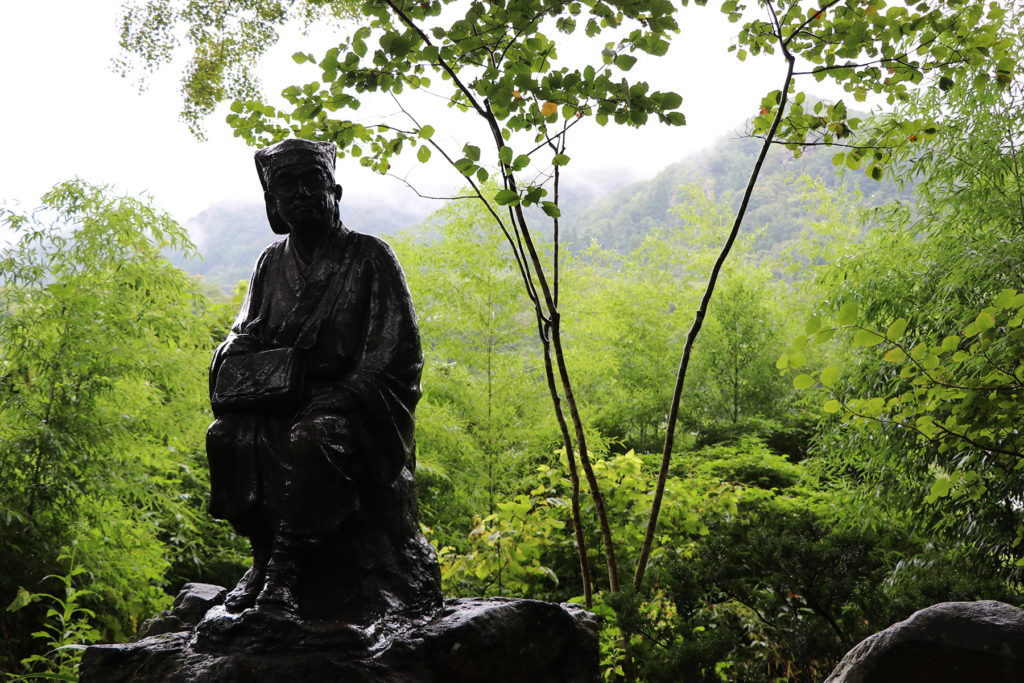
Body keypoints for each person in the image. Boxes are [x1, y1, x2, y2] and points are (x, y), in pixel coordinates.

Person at [206, 138, 440, 621]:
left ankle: (286, 571)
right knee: (225, 436)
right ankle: (262, 554)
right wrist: (233, 360)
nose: (300, 194)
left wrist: (348, 392)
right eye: (285, 185)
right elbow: (245, 331)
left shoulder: (370, 256)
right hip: (283, 399)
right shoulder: (271, 263)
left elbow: (398, 351)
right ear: (272, 203)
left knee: (315, 437)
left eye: (311, 180)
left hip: (352, 409)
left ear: (334, 189)